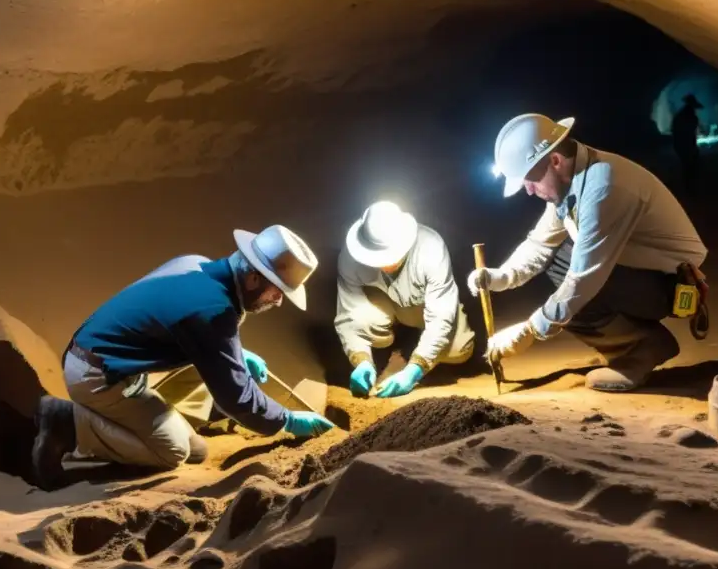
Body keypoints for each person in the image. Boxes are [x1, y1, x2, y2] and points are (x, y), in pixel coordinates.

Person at [31, 224, 335, 490]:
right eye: (278, 290)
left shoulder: (195, 263)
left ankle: (151, 418)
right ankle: (68, 424)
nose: (279, 301)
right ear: (254, 278)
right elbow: (238, 399)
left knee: (197, 450)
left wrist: (240, 356)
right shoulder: (212, 311)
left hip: (105, 359)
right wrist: (287, 420)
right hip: (98, 376)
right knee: (173, 453)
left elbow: (191, 330)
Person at [468, 113, 708, 392]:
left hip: (670, 285)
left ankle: (642, 350)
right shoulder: (571, 180)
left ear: (554, 160)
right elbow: (540, 245)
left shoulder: (603, 187)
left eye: (530, 181)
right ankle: (638, 343)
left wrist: (530, 330)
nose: (530, 192)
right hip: (637, 273)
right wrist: (500, 277)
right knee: (559, 262)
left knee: (570, 294)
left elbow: (583, 279)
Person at [335, 200, 476, 398]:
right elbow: (347, 315)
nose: (385, 263)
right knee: (359, 317)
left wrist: (415, 369)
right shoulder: (350, 258)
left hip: (422, 307)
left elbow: (441, 315)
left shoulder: (431, 248)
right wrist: (360, 359)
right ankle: (393, 342)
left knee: (460, 349)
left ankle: (415, 344)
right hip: (385, 305)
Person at [671, 94, 703, 194]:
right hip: (686, 145)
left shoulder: (680, 115)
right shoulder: (689, 116)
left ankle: (689, 188)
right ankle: (690, 189)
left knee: (687, 166)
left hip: (682, 145)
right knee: (690, 166)